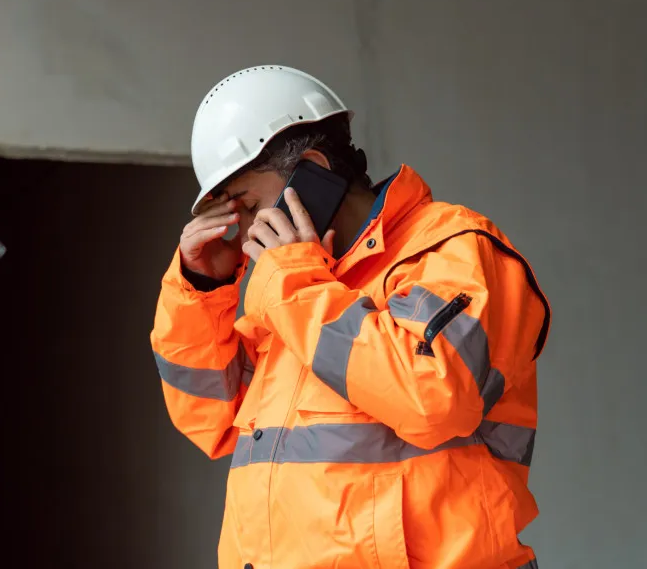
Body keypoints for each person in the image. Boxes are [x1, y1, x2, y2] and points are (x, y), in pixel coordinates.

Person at [150, 65, 551, 569]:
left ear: (313, 169)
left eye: (248, 203)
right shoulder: (299, 283)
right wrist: (203, 290)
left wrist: (295, 285)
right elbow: (212, 422)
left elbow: (434, 400)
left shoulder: (451, 250)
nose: (243, 230)